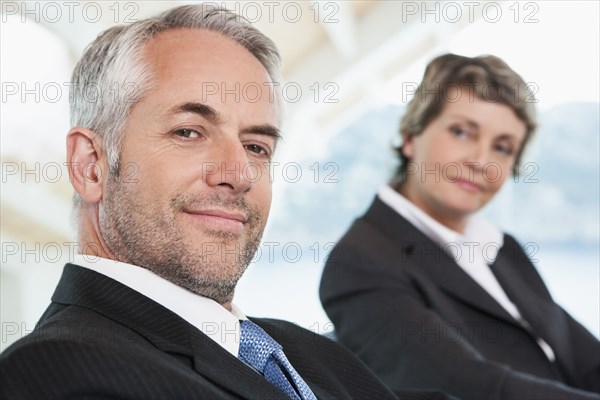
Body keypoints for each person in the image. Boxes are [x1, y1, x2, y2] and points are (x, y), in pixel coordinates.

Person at [0, 6, 453, 400]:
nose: (239, 174)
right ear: (91, 165)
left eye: (257, 146)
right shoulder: (56, 373)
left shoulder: (299, 351)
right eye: (188, 132)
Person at [319, 53, 600, 400]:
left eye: (502, 147)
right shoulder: (360, 262)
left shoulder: (501, 247)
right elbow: (471, 387)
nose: (481, 161)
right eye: (462, 132)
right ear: (410, 136)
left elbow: (584, 359)